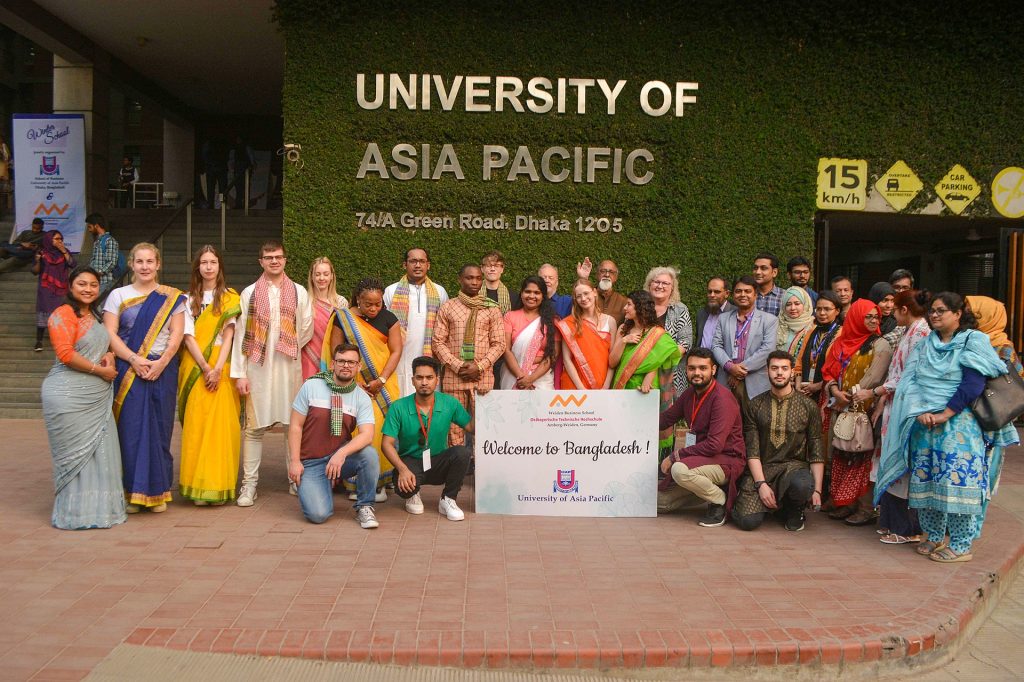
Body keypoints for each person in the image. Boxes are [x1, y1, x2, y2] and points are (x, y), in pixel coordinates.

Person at [876, 292, 1019, 563]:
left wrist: (945, 413)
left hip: (959, 424)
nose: (935, 315)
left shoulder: (973, 341)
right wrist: (920, 411)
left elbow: (972, 383)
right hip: (924, 421)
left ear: (958, 313)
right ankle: (933, 535)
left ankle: (961, 545)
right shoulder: (926, 343)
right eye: (932, 311)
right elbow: (911, 381)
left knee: (958, 483)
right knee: (928, 480)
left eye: (941, 310)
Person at [230, 240, 314, 506]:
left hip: (290, 368)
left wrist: (286, 345)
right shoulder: (250, 293)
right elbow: (242, 334)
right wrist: (240, 373)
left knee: (293, 426)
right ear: (261, 262)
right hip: (258, 368)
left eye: (278, 257)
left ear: (285, 260)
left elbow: (306, 329)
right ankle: (249, 485)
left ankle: (295, 479)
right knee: (254, 428)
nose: (274, 261)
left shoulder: (299, 292)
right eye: (269, 257)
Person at [103, 243, 186, 513]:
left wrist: (161, 363)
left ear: (158, 264)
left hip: (163, 370)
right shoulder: (118, 295)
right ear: (132, 265)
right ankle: (131, 493)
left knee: (160, 431)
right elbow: (110, 334)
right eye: (139, 261)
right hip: (129, 371)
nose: (145, 266)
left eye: (150, 261)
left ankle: (158, 492)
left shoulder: (172, 297)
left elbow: (177, 335)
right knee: (130, 431)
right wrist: (134, 360)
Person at [42, 266, 125, 529]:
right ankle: (74, 515)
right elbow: (66, 354)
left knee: (101, 454)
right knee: (75, 457)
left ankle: (100, 513)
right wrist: (100, 370)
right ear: (70, 286)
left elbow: (104, 346)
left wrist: (109, 356)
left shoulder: (95, 316)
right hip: (68, 395)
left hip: (96, 398)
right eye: (82, 284)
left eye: (93, 284)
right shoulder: (62, 314)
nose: (88, 289)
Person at [287, 343, 381, 528]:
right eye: (341, 361)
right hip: (311, 462)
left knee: (369, 454)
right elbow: (296, 426)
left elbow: (367, 435)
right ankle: (319, 486)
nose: (346, 366)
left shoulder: (361, 397)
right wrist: (295, 461)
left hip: (338, 459)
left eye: (351, 362)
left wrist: (341, 454)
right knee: (318, 515)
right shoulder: (311, 386)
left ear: (358, 367)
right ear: (332, 364)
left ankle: (365, 506)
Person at [177, 246, 241, 506]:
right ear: (197, 267)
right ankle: (196, 486)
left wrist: (217, 368)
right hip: (194, 366)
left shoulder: (229, 297)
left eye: (213, 262)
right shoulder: (185, 299)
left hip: (221, 367)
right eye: (204, 262)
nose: (208, 267)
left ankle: (217, 485)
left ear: (220, 266)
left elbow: (229, 335)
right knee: (197, 427)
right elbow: (187, 335)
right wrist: (205, 368)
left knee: (220, 428)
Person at [733, 351, 824, 532]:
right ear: (767, 371)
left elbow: (816, 450)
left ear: (792, 372)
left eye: (784, 368)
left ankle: (793, 509)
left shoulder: (808, 406)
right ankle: (770, 505)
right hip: (762, 469)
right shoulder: (755, 405)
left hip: (793, 469)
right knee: (747, 521)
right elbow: (752, 450)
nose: (779, 373)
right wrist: (761, 485)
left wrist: (818, 491)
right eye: (774, 368)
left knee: (803, 485)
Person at [330, 278, 402, 499]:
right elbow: (336, 353)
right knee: (355, 430)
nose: (373, 308)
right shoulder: (343, 318)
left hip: (383, 384)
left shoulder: (390, 319)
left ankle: (381, 480)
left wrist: (381, 379)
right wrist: (353, 382)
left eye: (378, 304)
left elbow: (396, 351)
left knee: (382, 430)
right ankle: (355, 482)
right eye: (368, 304)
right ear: (357, 299)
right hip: (352, 384)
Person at [656, 349, 746, 527]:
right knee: (658, 503)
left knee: (679, 470)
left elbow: (714, 446)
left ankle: (720, 500)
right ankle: (707, 489)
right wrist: (632, 417)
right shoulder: (690, 394)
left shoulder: (722, 399)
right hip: (700, 461)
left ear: (713, 370)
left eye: (703, 368)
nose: (697, 373)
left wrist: (675, 456)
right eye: (692, 368)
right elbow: (665, 419)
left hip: (727, 460)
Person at [822, 298, 892, 524]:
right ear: (855, 318)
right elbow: (828, 372)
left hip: (863, 411)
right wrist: (834, 390)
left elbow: (873, 378)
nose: (873, 320)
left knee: (862, 459)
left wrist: (847, 399)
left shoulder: (880, 345)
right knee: (842, 455)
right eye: (868, 316)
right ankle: (845, 503)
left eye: (876, 317)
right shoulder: (841, 342)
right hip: (839, 406)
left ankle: (864, 507)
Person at [870, 289, 930, 545]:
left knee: (903, 467)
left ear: (904, 309)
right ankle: (893, 523)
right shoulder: (910, 331)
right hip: (896, 406)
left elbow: (909, 376)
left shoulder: (922, 334)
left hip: (907, 409)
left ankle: (908, 529)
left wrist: (876, 391)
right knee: (892, 463)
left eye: (895, 309)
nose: (892, 313)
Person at [382, 356, 473, 521]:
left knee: (462, 453)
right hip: (411, 463)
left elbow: (472, 428)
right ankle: (413, 493)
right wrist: (402, 470)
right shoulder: (398, 407)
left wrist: (479, 403)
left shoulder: (449, 403)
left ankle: (448, 499)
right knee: (404, 488)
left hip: (438, 461)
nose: (424, 382)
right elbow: (386, 444)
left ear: (437, 380)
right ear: (412, 380)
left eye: (429, 377)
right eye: (419, 377)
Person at [432, 264, 505, 445]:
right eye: (469, 278)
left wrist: (479, 366)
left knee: (486, 427)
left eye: (478, 278)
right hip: (453, 377)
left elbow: (499, 344)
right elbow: (437, 342)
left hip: (482, 378)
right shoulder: (448, 307)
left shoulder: (491, 308)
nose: (474, 282)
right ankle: (458, 469)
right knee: (453, 429)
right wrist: (458, 366)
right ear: (460, 279)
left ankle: (483, 470)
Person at [609, 290, 682, 452]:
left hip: (647, 387)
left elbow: (664, 356)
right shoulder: (623, 329)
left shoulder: (656, 333)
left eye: (629, 304)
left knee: (646, 431)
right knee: (623, 431)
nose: (624, 308)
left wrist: (649, 378)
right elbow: (612, 362)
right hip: (624, 385)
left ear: (640, 307)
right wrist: (624, 341)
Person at [383, 248, 449, 397]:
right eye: (413, 261)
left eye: (422, 261)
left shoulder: (440, 292)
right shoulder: (391, 291)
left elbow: (445, 328)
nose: (417, 265)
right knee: (400, 396)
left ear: (428, 265)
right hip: (400, 357)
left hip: (430, 355)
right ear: (404, 265)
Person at [711, 275, 779, 410]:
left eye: (747, 291)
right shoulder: (723, 318)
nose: (743, 295)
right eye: (738, 291)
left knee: (753, 426)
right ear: (733, 294)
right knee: (726, 423)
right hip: (727, 380)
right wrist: (730, 367)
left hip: (755, 382)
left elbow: (768, 349)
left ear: (755, 294)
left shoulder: (769, 320)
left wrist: (739, 370)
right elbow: (716, 345)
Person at [794, 290, 843, 454]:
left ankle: (821, 472)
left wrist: (818, 386)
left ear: (837, 311)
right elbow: (799, 361)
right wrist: (799, 383)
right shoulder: (811, 332)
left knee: (821, 436)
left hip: (825, 392)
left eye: (827, 309)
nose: (822, 313)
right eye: (819, 308)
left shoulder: (841, 334)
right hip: (804, 391)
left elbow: (840, 368)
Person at [555, 278, 617, 389]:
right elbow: (567, 359)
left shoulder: (610, 321)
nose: (583, 298)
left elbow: (612, 360)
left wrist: (606, 386)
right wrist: (582, 390)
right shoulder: (569, 323)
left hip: (603, 384)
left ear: (594, 292)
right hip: (574, 386)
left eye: (586, 293)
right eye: (578, 296)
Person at [501, 275, 558, 390]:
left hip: (541, 378)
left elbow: (553, 355)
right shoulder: (509, 317)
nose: (532, 296)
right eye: (528, 291)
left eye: (537, 293)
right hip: (513, 375)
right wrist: (521, 377)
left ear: (543, 296)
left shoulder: (552, 321)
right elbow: (506, 350)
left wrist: (531, 378)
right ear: (521, 293)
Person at [644, 265, 693, 396]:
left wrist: (655, 363)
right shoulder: (640, 307)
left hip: (672, 373)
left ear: (672, 289)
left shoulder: (680, 309)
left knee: (670, 414)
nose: (660, 286)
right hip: (641, 371)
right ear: (649, 285)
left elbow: (685, 343)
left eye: (665, 283)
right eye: (656, 282)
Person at [302, 257, 349, 380]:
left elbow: (347, 335)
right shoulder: (304, 302)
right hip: (307, 359)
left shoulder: (341, 303)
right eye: (317, 274)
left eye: (325, 274)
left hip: (333, 359)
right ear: (312, 276)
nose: (321, 278)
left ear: (332, 276)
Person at [33, 231, 76, 352]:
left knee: (61, 313)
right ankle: (39, 341)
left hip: (62, 288)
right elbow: (35, 271)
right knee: (44, 312)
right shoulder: (42, 253)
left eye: (61, 239)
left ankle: (63, 342)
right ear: (49, 240)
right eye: (57, 239)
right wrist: (37, 261)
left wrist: (64, 251)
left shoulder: (64, 251)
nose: (60, 241)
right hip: (46, 288)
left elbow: (73, 264)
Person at [965, 296, 1024, 378]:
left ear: (989, 317)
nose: (965, 318)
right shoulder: (965, 338)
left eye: (970, 313)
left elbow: (1018, 381)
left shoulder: (1002, 348)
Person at [576, 257, 627, 325]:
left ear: (616, 277)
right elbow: (576, 310)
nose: (607, 275)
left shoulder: (623, 302)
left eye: (611, 272)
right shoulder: (587, 297)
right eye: (603, 271)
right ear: (597, 275)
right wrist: (583, 278)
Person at [85, 213, 121, 296]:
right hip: (97, 281)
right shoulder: (97, 241)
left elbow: (111, 262)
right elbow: (93, 260)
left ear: (96, 226)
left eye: (90, 227)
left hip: (106, 282)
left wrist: (99, 272)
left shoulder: (110, 241)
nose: (89, 230)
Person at [695, 276, 733, 350]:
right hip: (700, 359)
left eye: (717, 292)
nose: (712, 295)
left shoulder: (735, 314)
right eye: (710, 291)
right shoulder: (701, 313)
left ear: (727, 294)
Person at [775, 286, 815, 356]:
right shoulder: (776, 325)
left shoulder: (813, 326)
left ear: (805, 305)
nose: (792, 308)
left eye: (797, 303)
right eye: (788, 304)